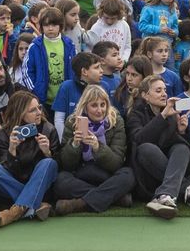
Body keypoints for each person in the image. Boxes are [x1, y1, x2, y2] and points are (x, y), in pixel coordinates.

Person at [54, 83, 135, 214]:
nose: (99, 110)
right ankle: (115, 198)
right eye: (94, 105)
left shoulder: (115, 120)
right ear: (85, 106)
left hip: (106, 174)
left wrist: (98, 147)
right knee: (60, 181)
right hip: (81, 173)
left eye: (103, 105)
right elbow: (67, 165)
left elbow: (116, 163)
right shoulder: (72, 121)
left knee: (128, 175)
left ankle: (79, 204)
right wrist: (75, 144)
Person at [126, 71, 190, 218]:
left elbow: (178, 151)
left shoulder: (171, 115)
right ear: (145, 96)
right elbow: (139, 140)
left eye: (165, 90)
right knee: (147, 148)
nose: (164, 94)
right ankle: (185, 187)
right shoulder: (135, 114)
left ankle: (165, 195)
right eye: (158, 91)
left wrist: (182, 132)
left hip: (167, 175)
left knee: (182, 147)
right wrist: (162, 116)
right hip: (147, 175)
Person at [0, 89, 59, 227]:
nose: (39, 112)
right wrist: (12, 151)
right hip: (15, 181)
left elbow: (57, 167)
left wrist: (47, 152)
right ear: (20, 113)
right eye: (32, 110)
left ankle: (14, 212)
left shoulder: (48, 129)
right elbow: (6, 169)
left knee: (49, 163)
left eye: (39, 107)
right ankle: (35, 204)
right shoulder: (5, 134)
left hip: (41, 184)